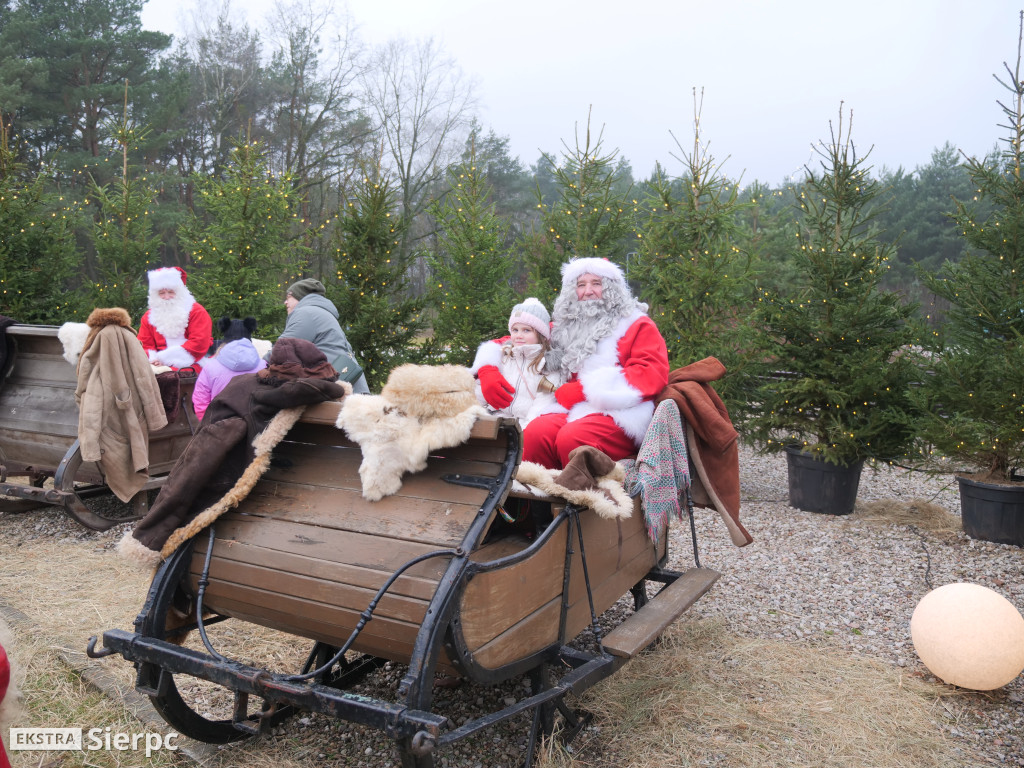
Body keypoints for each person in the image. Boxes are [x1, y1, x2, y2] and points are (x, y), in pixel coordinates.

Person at [512, 257, 669, 470]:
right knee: (535, 435)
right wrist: (487, 367)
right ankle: (536, 502)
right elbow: (523, 336)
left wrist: (585, 391)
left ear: (611, 288)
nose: (588, 291)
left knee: (573, 440)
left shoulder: (637, 324)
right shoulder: (564, 326)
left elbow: (650, 373)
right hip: (570, 409)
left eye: (596, 283)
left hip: (619, 412)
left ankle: (583, 502)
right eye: (581, 285)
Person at [471, 297, 563, 427]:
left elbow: (542, 404)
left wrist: (523, 434)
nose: (519, 335)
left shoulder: (547, 365)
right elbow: (482, 390)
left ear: (541, 335)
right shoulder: (504, 356)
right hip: (494, 420)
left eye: (526, 330)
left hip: (521, 426)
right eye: (515, 330)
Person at [274, 278, 370, 393]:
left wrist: (255, 364)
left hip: (338, 396)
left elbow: (280, 351)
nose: (285, 302)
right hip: (352, 391)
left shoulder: (306, 313)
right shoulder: (321, 314)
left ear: (301, 297)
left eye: (289, 297)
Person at [137, 266, 213, 370]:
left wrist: (164, 359)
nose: (166, 297)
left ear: (179, 292)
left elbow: (199, 344)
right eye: (162, 293)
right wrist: (153, 359)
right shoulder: (148, 317)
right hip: (156, 364)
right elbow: (144, 344)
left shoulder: (196, 311)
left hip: (192, 361)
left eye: (171, 292)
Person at [191, 337, 268, 421]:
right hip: (256, 420)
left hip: (220, 422)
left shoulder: (210, 367)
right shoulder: (264, 365)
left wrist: (206, 421)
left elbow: (201, 398)